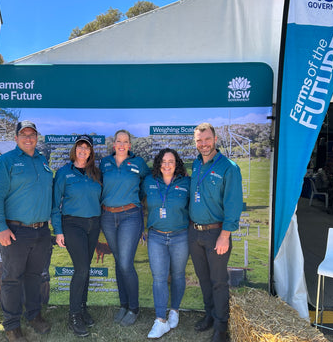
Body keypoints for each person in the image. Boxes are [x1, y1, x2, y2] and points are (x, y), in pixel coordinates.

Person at [0, 120, 53, 342]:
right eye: (23, 134)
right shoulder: (6, 161)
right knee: (12, 279)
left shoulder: (43, 161)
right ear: (16, 138)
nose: (28, 138)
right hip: (15, 231)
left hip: (42, 232)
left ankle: (34, 316)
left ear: (37, 137)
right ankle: (12, 326)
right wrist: (1, 228)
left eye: (32, 134)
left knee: (35, 277)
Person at [189, 123, 243, 342]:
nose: (203, 144)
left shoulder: (229, 167)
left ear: (215, 138)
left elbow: (233, 204)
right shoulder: (195, 165)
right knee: (203, 279)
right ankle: (210, 315)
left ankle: (221, 327)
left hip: (216, 234)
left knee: (219, 281)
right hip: (195, 233)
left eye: (207, 139)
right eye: (199, 141)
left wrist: (225, 235)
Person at [52, 135, 102, 337]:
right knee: (81, 269)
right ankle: (74, 316)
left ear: (91, 152)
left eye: (87, 147)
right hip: (72, 224)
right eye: (80, 147)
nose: (83, 150)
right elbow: (55, 205)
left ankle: (82, 309)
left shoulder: (96, 173)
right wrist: (58, 230)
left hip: (94, 224)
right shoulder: (64, 173)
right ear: (75, 150)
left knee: (86, 269)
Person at [100, 129, 150, 327]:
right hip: (108, 216)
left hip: (130, 216)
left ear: (130, 145)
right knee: (119, 262)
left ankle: (134, 308)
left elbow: (148, 181)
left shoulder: (138, 163)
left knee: (125, 263)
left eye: (125, 141)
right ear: (114, 144)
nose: (122, 144)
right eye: (118, 141)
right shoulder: (105, 163)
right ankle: (123, 304)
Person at [142, 148, 190, 339]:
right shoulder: (149, 182)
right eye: (164, 161)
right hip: (156, 237)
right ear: (158, 164)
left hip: (180, 236)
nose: (167, 164)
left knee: (178, 274)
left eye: (171, 161)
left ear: (177, 163)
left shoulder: (187, 182)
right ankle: (161, 320)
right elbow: (136, 202)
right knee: (159, 277)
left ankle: (174, 310)